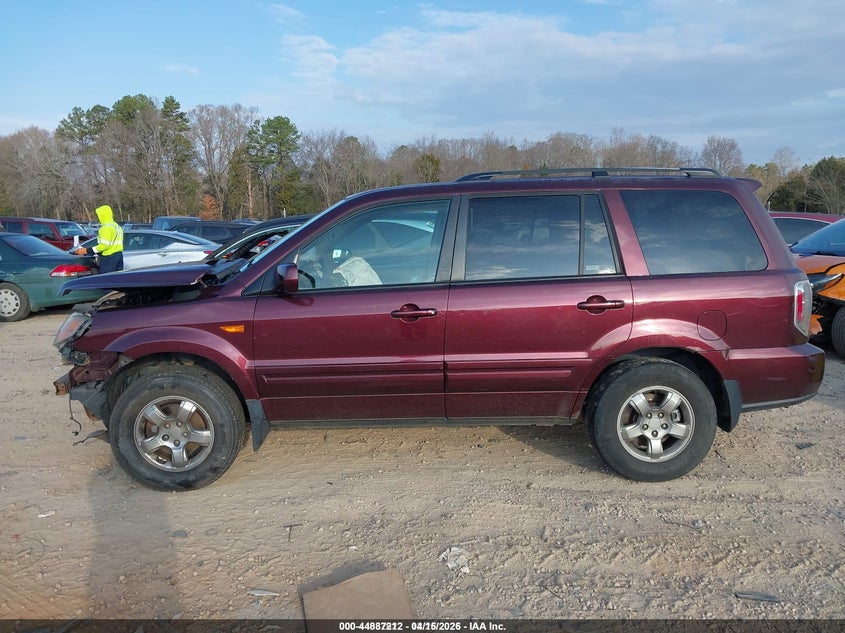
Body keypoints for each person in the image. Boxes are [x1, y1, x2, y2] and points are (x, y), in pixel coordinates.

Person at [75, 204, 124, 272]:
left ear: (102, 216)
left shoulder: (106, 228)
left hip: (109, 257)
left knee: (106, 280)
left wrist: (87, 251)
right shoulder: (116, 226)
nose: (98, 218)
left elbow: (104, 246)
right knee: (117, 279)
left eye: (98, 215)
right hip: (118, 255)